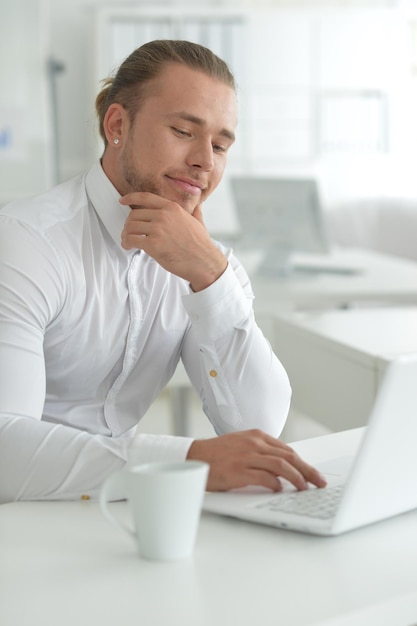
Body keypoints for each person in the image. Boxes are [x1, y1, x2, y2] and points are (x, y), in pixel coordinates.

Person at [0, 40, 326, 502]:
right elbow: (4, 453)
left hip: (131, 509)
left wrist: (212, 278)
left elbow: (258, 428)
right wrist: (189, 462)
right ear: (117, 124)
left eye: (219, 144)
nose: (205, 163)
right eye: (182, 131)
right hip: (24, 517)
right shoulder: (25, 241)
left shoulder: (207, 264)